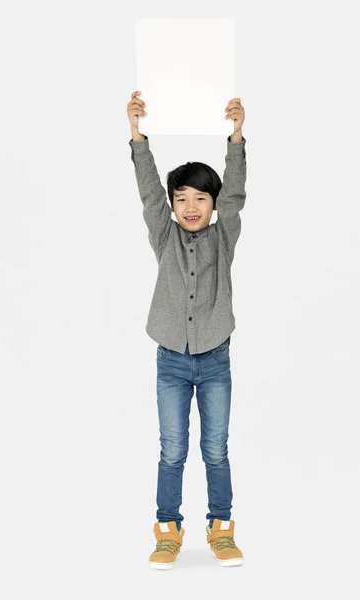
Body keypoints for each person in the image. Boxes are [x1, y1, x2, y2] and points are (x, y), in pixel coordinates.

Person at [127, 91, 247, 569]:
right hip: (171, 360)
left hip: (215, 359)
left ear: (214, 204)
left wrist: (236, 138)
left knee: (215, 449)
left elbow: (236, 193)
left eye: (201, 198)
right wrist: (137, 136)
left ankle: (221, 528)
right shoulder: (163, 233)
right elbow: (148, 190)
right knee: (172, 449)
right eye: (183, 199)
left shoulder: (224, 234)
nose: (191, 206)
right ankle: (167, 530)